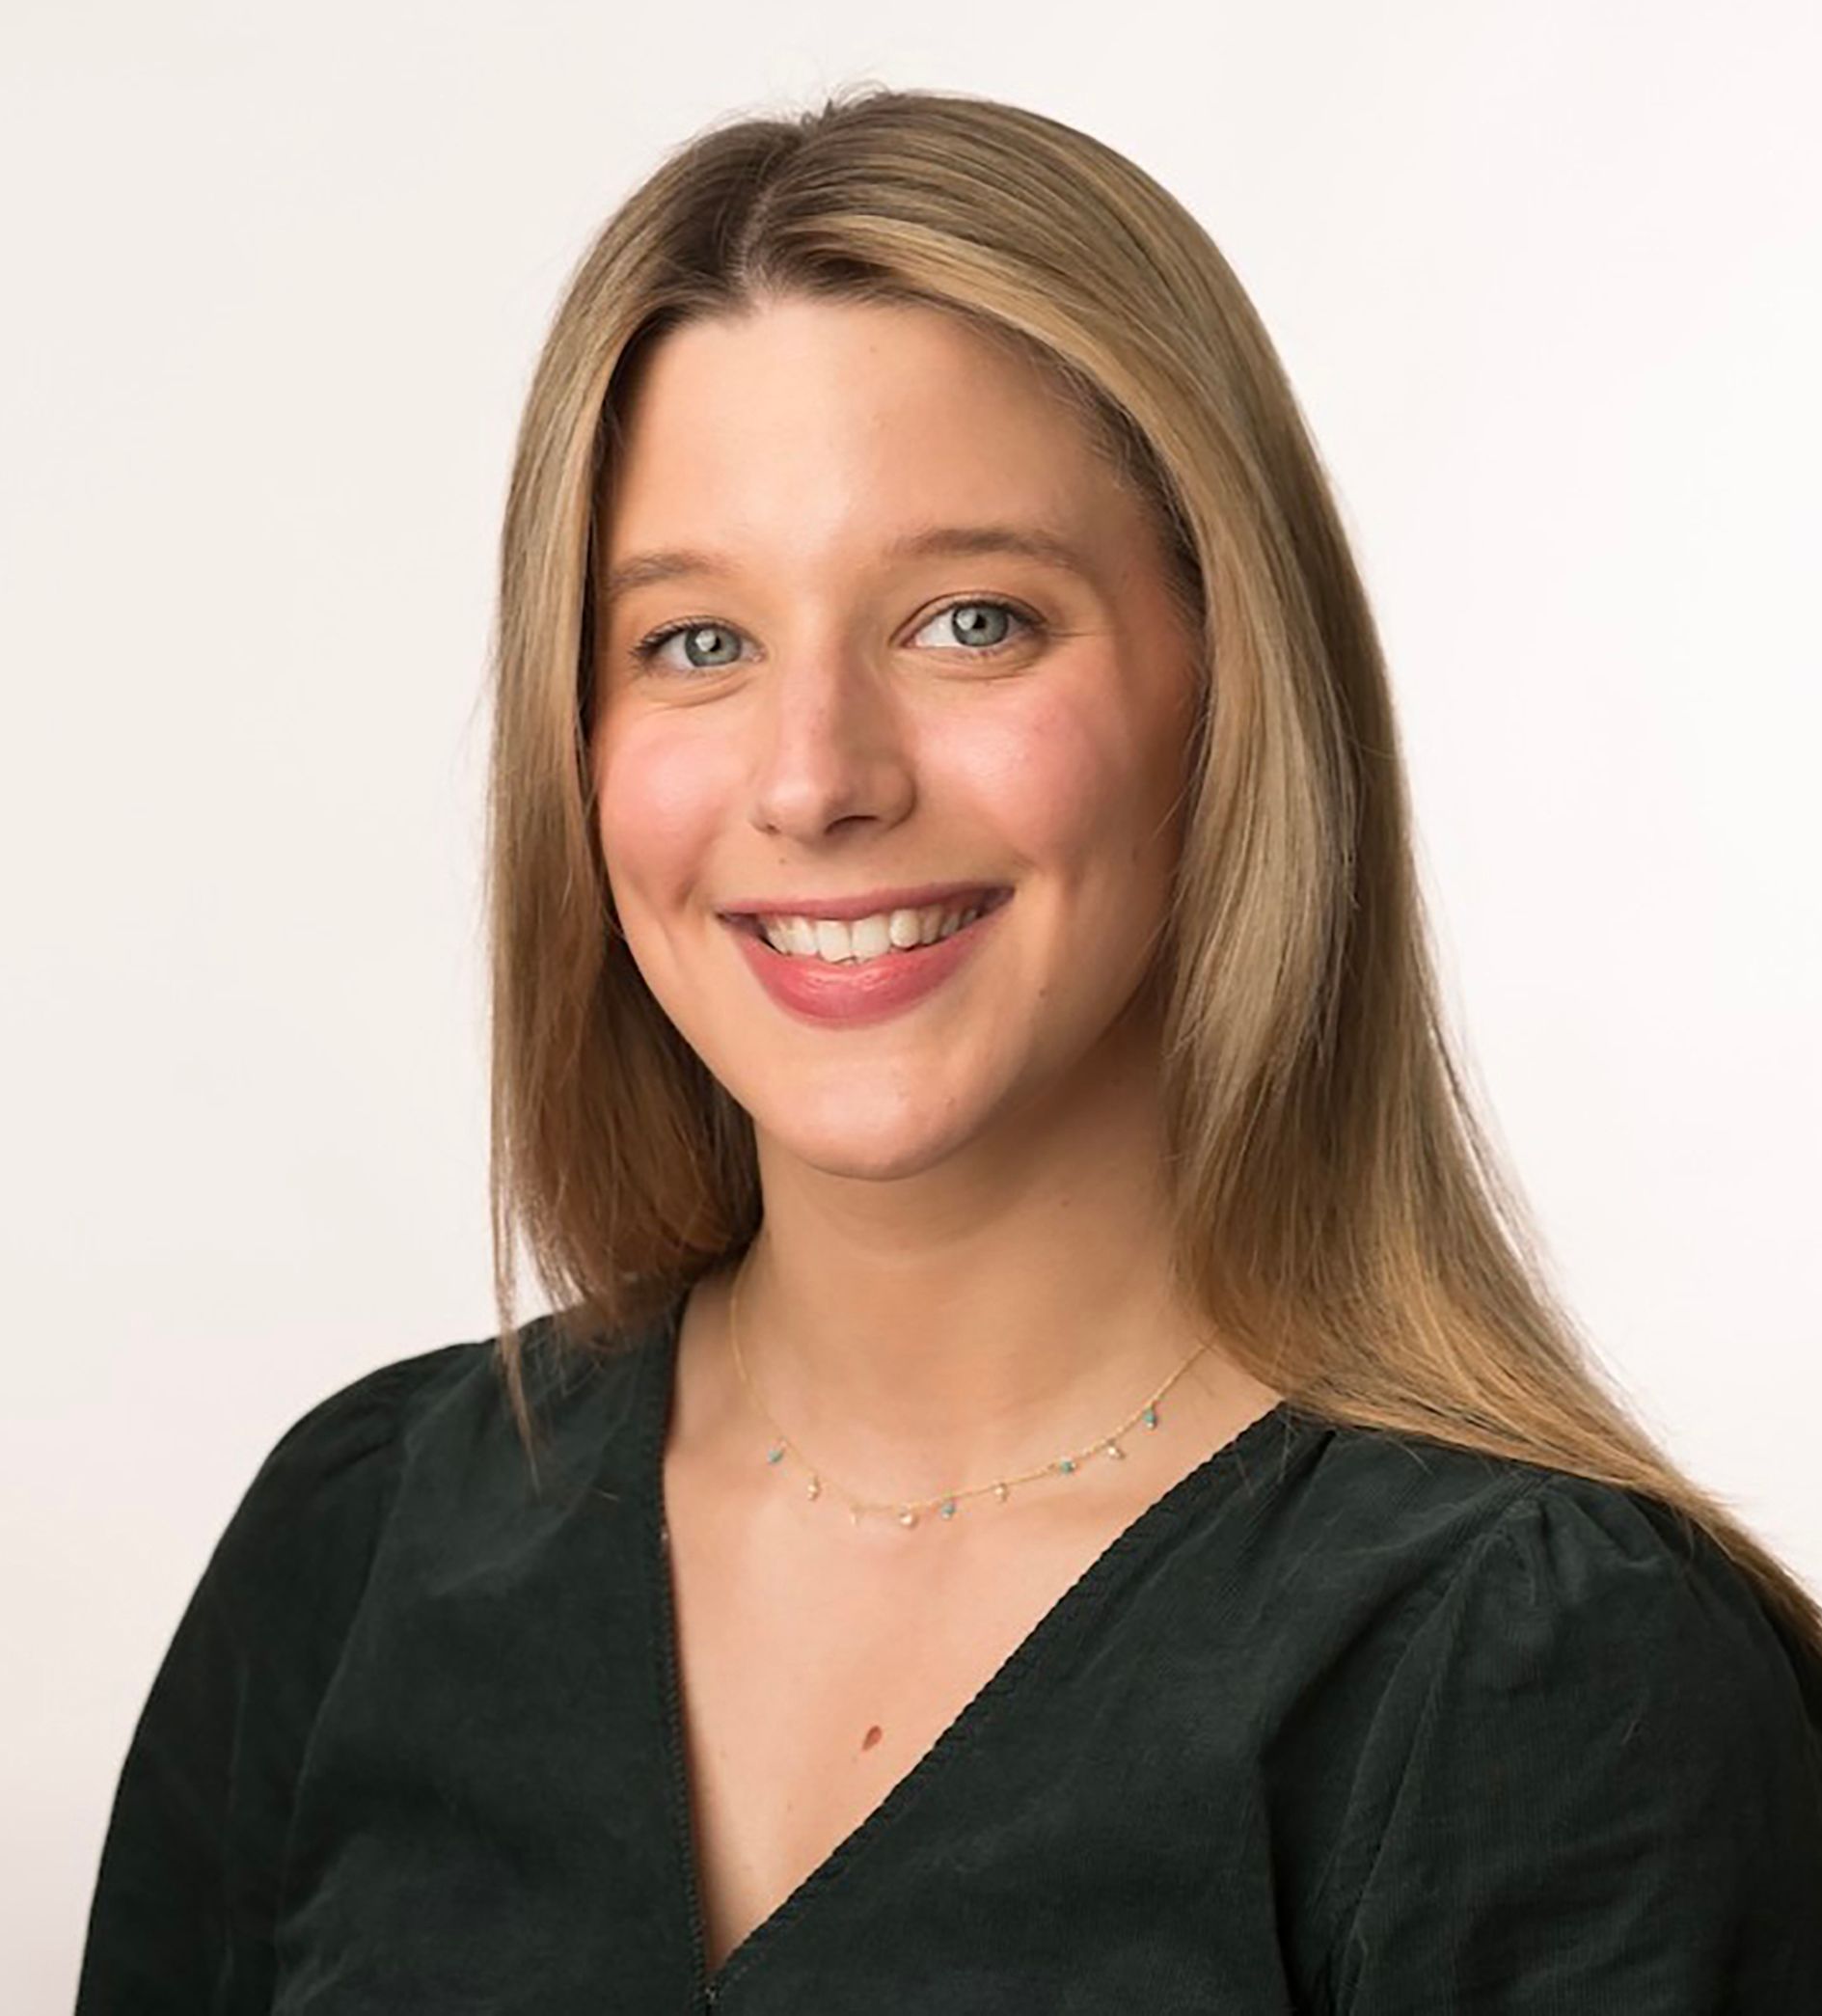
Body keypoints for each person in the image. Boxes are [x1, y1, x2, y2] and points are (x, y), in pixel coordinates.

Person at [75, 85, 1822, 2014]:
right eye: (693, 643)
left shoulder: (1542, 1676)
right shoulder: (361, 1539)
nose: (817, 778)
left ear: (1231, 685)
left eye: (972, 620)